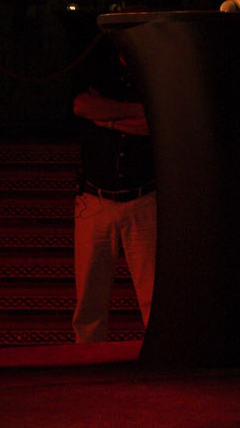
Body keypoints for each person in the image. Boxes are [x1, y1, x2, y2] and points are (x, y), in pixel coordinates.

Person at [71, 49, 156, 344]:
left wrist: (107, 118)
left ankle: (156, 351)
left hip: (141, 197)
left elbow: (153, 123)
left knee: (151, 292)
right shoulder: (99, 68)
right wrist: (136, 110)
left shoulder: (153, 74)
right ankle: (88, 356)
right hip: (97, 198)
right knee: (89, 295)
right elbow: (81, 105)